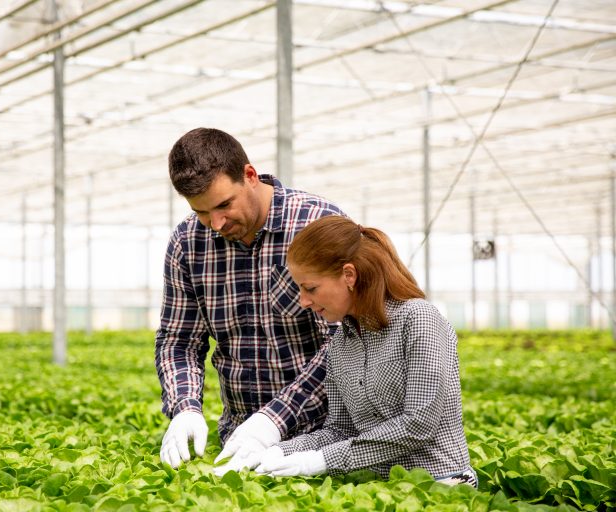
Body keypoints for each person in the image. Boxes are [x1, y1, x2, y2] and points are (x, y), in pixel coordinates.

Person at [155, 128, 345, 472]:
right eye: (202, 212)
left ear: (250, 176)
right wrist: (185, 407)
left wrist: (273, 421)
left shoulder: (316, 224)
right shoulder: (187, 243)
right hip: (237, 441)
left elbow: (346, 342)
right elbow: (179, 340)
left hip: (325, 440)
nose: (216, 223)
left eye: (224, 204)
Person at [254, 216, 477, 488]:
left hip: (442, 484)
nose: (303, 300)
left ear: (349, 275)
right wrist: (278, 451)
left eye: (310, 288)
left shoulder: (418, 319)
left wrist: (320, 460)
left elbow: (418, 424)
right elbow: (340, 430)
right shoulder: (341, 343)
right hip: (381, 488)